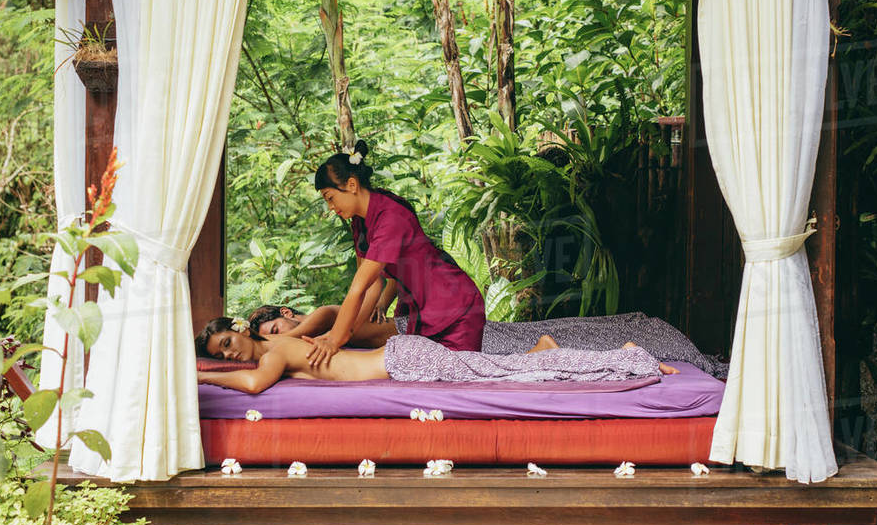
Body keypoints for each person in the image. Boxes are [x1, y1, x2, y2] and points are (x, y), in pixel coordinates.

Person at [304, 140, 485, 366]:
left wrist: (336, 338)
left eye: (330, 198)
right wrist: (342, 335)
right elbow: (371, 286)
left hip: (455, 307)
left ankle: (539, 352)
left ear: (351, 185)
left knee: (465, 375)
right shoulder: (360, 222)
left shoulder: (390, 217)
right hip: (421, 312)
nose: (330, 207)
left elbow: (359, 287)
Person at [195, 317, 677, 395]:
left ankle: (627, 355)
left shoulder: (273, 350)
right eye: (222, 354)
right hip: (404, 356)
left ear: (239, 330)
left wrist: (204, 378)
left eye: (227, 344)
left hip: (407, 361)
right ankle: (548, 351)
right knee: (502, 372)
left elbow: (257, 384)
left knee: (505, 376)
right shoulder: (281, 351)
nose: (230, 353)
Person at [249, 303, 396, 348]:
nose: (279, 337)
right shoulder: (310, 341)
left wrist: (261, 342)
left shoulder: (324, 314)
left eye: (275, 330)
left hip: (410, 330)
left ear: (286, 312)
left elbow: (287, 339)